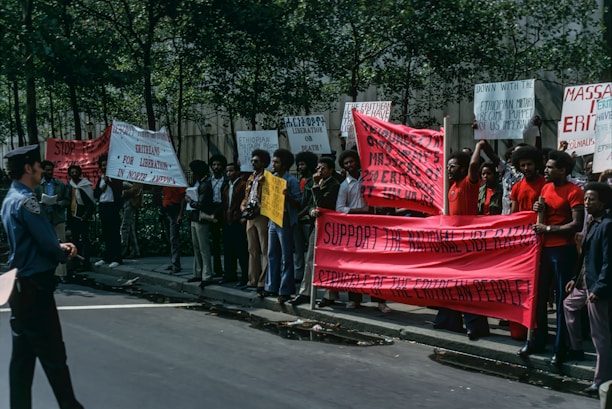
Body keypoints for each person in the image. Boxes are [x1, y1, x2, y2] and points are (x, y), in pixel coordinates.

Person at [1, 144, 84, 409]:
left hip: (18, 287)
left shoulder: (9, 199)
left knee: (22, 360)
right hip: (36, 288)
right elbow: (48, 243)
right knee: (54, 357)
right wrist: (65, 250)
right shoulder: (28, 201)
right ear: (29, 168)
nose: (42, 170)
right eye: (38, 166)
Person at [519, 150, 585, 365]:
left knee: (560, 300)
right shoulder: (546, 188)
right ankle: (537, 340)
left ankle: (560, 347)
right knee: (537, 296)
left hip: (562, 250)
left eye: (550, 167)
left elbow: (576, 224)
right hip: (543, 249)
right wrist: (539, 208)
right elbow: (542, 213)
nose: (545, 170)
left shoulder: (574, 191)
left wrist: (547, 227)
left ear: (562, 170)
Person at [434, 141, 490, 340]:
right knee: (450, 283)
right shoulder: (451, 187)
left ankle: (476, 325)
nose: (449, 169)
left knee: (467, 285)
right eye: (448, 166)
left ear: (464, 168)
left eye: (453, 166)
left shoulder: (468, 183)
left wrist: (478, 147)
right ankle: (449, 320)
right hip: (452, 243)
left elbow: (475, 166)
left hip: (467, 242)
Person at [563, 182, 612, 395]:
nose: (586, 202)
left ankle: (601, 379)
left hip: (597, 287)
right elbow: (585, 255)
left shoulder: (608, 225)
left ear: (602, 201)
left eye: (591, 199)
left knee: (599, 335)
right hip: (584, 282)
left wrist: (599, 288)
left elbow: (608, 262)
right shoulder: (591, 221)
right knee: (568, 305)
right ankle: (576, 349)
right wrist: (575, 277)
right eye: (585, 199)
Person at [289, 157, 340, 306]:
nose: (320, 171)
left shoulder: (334, 185)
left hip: (330, 228)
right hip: (316, 225)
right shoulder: (312, 183)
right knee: (310, 258)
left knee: (329, 261)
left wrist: (317, 186)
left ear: (330, 170)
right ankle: (306, 292)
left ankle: (330, 294)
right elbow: (310, 204)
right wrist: (311, 212)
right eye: (318, 168)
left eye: (323, 168)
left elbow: (323, 203)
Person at [263, 149, 302, 304]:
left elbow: (299, 202)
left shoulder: (291, 181)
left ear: (284, 164)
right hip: (273, 219)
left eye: (276, 162)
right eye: (273, 161)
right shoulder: (271, 178)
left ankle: (285, 290)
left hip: (285, 220)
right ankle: (271, 287)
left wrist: (288, 196)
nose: (273, 164)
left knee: (287, 256)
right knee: (272, 254)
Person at [34, 160, 71, 279]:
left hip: (57, 218)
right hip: (44, 218)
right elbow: (32, 201)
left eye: (51, 170)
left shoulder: (60, 184)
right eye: (47, 170)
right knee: (43, 245)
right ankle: (45, 271)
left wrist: (58, 203)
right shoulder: (38, 185)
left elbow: (67, 200)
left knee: (61, 245)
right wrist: (40, 204)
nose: (50, 172)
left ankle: (61, 274)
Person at [241, 149, 270, 292]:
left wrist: (259, 209)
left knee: (265, 248)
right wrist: (243, 207)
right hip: (250, 215)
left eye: (256, 161)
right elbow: (246, 196)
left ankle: (263, 280)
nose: (253, 163)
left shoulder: (267, 177)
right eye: (252, 161)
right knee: (252, 249)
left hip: (262, 215)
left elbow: (269, 198)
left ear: (264, 163)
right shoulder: (251, 177)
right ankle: (252, 279)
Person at [185, 160, 214, 285]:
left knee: (203, 248)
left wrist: (190, 201)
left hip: (201, 218)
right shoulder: (199, 183)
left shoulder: (205, 185)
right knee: (197, 247)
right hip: (195, 217)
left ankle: (206, 275)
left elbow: (201, 204)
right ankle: (198, 272)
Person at [221, 162, 249, 286]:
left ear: (237, 172)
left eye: (231, 171)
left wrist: (243, 216)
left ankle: (245, 275)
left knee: (241, 249)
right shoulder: (227, 186)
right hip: (228, 220)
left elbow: (245, 200)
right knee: (228, 249)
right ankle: (229, 274)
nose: (228, 173)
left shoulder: (243, 185)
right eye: (227, 171)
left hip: (238, 220)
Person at [93, 155, 123, 268]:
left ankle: (117, 258)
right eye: (103, 165)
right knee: (105, 233)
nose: (104, 167)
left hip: (112, 207)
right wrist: (103, 184)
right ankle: (107, 256)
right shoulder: (100, 178)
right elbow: (96, 194)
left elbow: (118, 191)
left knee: (114, 233)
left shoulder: (115, 178)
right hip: (103, 206)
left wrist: (108, 181)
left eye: (106, 165)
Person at [294, 151, 318, 285]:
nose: (299, 167)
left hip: (307, 220)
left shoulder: (313, 181)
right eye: (298, 165)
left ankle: (310, 276)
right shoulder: (299, 181)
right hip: (297, 220)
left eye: (302, 164)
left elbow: (310, 203)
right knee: (298, 249)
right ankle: (299, 274)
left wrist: (300, 215)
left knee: (310, 250)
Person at [67, 165, 95, 272]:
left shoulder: (85, 185)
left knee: (85, 241)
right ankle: (75, 262)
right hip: (73, 216)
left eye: (76, 172)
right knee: (74, 241)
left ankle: (86, 262)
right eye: (72, 172)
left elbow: (91, 203)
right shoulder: (70, 186)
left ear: (79, 173)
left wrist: (86, 215)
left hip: (83, 217)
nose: (74, 174)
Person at [209, 154, 228, 277]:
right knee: (214, 242)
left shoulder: (226, 180)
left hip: (224, 211)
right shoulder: (208, 180)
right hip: (212, 211)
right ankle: (217, 269)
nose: (216, 167)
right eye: (214, 165)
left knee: (226, 241)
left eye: (219, 165)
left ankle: (228, 268)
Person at [161, 186, 185, 273]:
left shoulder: (178, 181)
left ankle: (176, 264)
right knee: (169, 238)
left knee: (173, 238)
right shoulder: (166, 181)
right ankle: (173, 261)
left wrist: (180, 214)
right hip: (167, 209)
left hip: (174, 209)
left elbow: (183, 197)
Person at [120, 182, 143, 259]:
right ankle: (135, 250)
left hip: (130, 203)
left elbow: (136, 189)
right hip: (125, 202)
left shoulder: (135, 179)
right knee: (130, 228)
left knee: (125, 227)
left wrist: (123, 191)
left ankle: (123, 250)